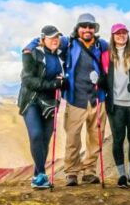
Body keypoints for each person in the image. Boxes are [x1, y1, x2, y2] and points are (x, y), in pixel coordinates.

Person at [24, 13, 109, 186]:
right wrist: (28, 48)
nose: (87, 29)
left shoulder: (102, 44)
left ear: (95, 29)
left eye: (90, 26)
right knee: (73, 137)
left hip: (98, 98)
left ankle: (90, 171)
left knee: (95, 136)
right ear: (78, 28)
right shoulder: (68, 42)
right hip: (75, 98)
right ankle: (72, 172)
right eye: (84, 26)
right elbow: (46, 39)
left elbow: (124, 48)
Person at [100, 23, 130, 189]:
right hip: (115, 105)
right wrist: (96, 81)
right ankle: (122, 176)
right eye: (117, 33)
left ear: (127, 35)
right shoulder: (106, 56)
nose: (121, 36)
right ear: (112, 37)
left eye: (124, 33)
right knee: (118, 139)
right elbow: (104, 80)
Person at [17, 25, 66, 189]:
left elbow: (62, 81)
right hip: (31, 101)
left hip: (50, 103)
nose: (55, 40)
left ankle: (37, 176)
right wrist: (29, 48)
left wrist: (62, 83)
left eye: (57, 37)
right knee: (36, 135)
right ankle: (41, 175)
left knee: (45, 139)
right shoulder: (35, 54)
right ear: (42, 39)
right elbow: (27, 79)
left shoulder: (60, 56)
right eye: (51, 37)